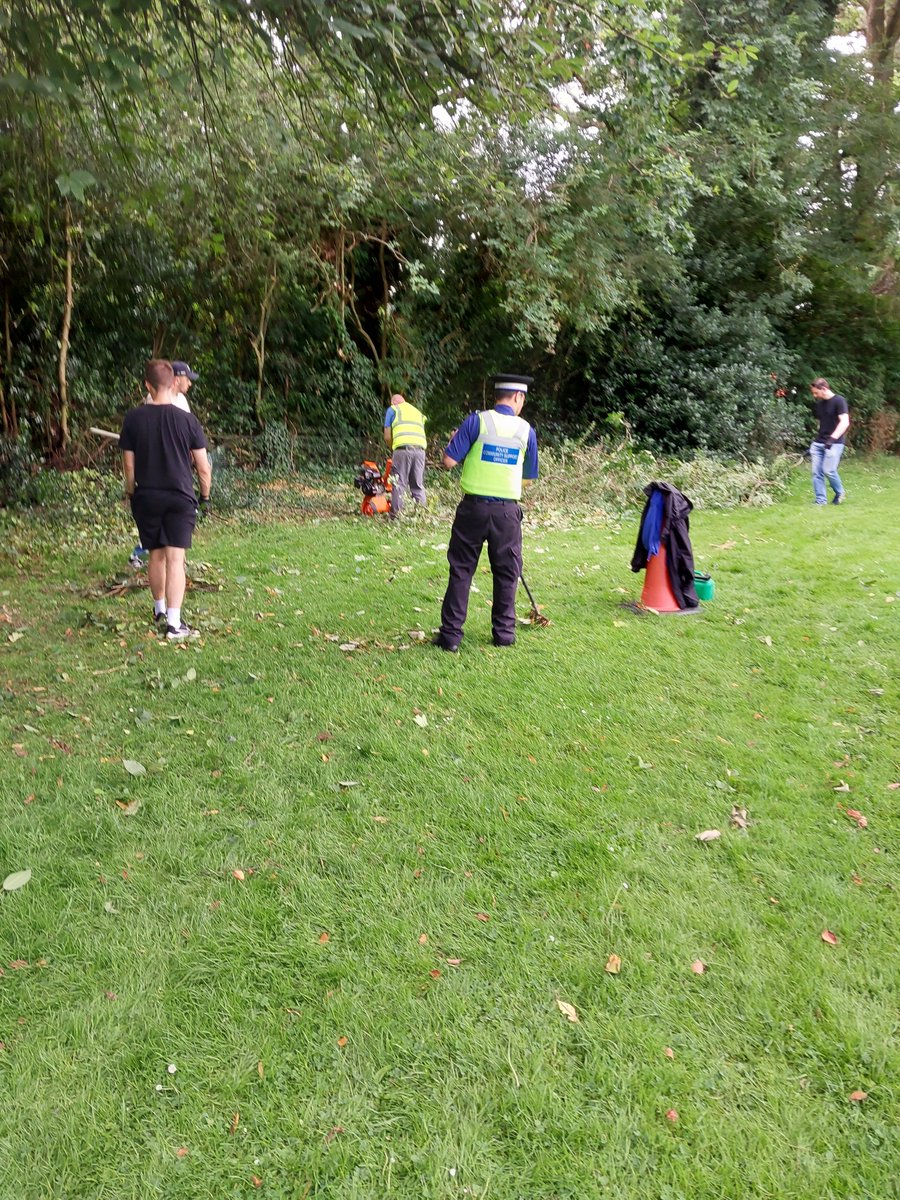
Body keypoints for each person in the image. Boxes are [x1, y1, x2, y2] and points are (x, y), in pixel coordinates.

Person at [434, 373, 538, 651]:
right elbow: (528, 478)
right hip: (507, 513)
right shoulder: (526, 431)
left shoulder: (476, 421)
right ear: (518, 397)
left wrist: (456, 442)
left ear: (497, 396)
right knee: (507, 572)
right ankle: (504, 635)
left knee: (461, 569)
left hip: (473, 509)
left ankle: (451, 637)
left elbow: (448, 461)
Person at [120, 359, 212, 641]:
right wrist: (205, 496)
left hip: (147, 496)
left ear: (147, 385)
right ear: (173, 383)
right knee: (176, 559)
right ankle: (174, 624)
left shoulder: (133, 419)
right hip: (179, 498)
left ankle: (159, 608)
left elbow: (129, 467)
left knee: (156, 555)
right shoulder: (187, 420)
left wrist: (131, 492)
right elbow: (203, 467)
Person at [383, 392, 427, 516]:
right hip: (420, 451)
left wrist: (393, 447)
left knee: (399, 483)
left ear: (393, 402)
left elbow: (387, 436)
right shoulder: (417, 412)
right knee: (417, 484)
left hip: (402, 450)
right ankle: (421, 515)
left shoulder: (393, 409)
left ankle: (396, 515)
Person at [809, 377, 850, 505]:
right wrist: (815, 442)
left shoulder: (839, 401)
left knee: (829, 470)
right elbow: (822, 424)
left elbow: (845, 422)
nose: (815, 396)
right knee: (816, 473)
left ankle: (840, 492)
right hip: (818, 444)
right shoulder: (820, 405)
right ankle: (820, 500)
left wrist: (832, 439)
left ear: (824, 389)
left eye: (816, 392)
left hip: (835, 443)